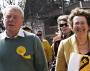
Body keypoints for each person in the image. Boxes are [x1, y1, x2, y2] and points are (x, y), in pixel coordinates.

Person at [0, 5, 48, 71]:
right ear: (3, 20)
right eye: (8, 16)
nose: (11, 19)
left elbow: (42, 68)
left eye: (15, 17)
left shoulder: (33, 40)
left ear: (22, 20)